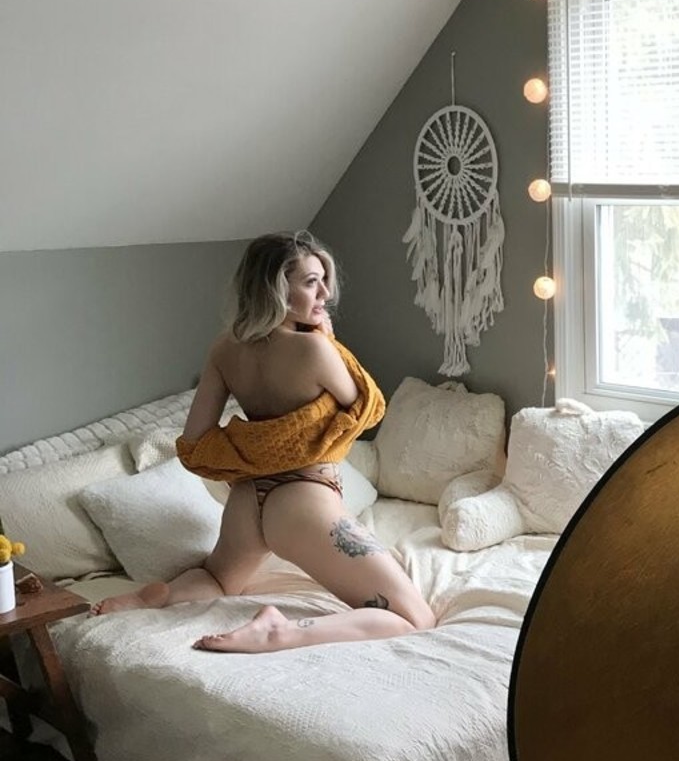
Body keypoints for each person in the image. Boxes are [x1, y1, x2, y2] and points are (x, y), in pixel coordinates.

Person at [92, 231, 436, 652]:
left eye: (324, 281)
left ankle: (158, 596)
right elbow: (366, 407)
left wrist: (254, 448)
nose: (325, 293)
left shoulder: (225, 349)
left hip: (246, 501)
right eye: (312, 282)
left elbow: (194, 441)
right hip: (304, 501)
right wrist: (327, 340)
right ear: (277, 289)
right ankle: (280, 631)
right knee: (416, 617)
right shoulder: (314, 349)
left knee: (218, 578)